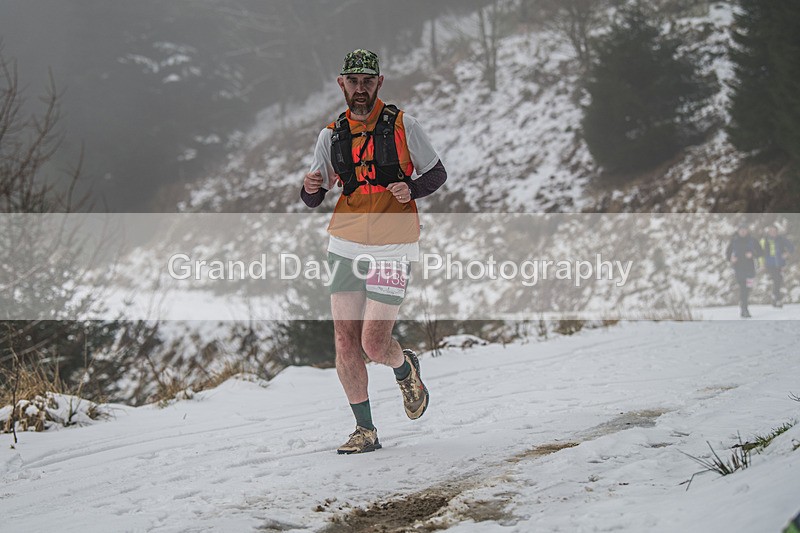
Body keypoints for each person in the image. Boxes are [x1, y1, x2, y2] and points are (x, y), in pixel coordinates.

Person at [301, 49, 447, 454]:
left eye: (368, 82)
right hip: (345, 243)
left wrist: (412, 188)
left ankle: (405, 369)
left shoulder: (404, 125)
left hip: (394, 246)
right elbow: (314, 196)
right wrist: (310, 188)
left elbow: (437, 172)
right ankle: (365, 430)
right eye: (354, 81)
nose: (360, 89)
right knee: (345, 341)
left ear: (379, 83)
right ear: (341, 83)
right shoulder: (331, 135)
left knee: (373, 344)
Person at [726, 223, 763, 318]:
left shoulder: (752, 240)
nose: (742, 232)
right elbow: (727, 253)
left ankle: (743, 305)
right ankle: (744, 308)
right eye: (741, 230)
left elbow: (760, 252)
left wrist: (752, 255)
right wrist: (731, 258)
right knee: (743, 288)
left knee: (747, 289)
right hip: (738, 268)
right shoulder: (734, 241)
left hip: (750, 268)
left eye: (744, 229)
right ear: (738, 231)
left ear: (747, 231)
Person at [759, 225, 794, 307]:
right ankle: (777, 298)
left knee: (779, 280)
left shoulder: (781, 239)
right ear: (768, 232)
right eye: (771, 231)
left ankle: (775, 297)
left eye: (774, 231)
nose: (773, 233)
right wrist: (762, 264)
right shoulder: (764, 240)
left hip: (780, 263)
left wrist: (787, 254)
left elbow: (791, 247)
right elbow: (760, 254)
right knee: (777, 279)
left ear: (777, 232)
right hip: (769, 264)